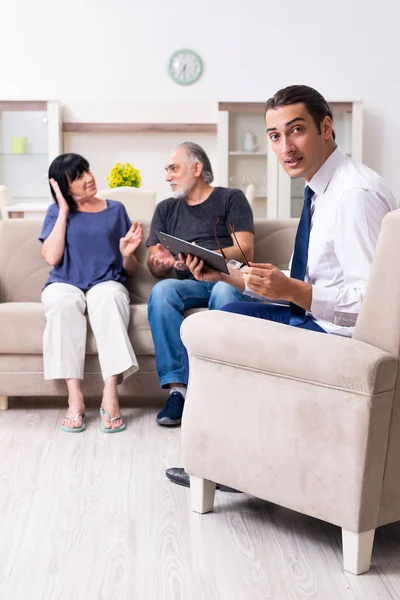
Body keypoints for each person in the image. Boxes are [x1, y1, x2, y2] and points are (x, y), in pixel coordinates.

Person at [165, 84, 399, 489]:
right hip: (314, 317)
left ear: (326, 127)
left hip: (340, 335)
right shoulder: (319, 191)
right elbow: (292, 284)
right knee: (224, 314)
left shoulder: (353, 196)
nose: (285, 146)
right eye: (275, 136)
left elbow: (373, 307)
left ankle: (229, 463)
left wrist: (292, 291)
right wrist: (221, 274)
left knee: (221, 330)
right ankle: (228, 455)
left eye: (296, 130)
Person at [146, 141, 255, 426]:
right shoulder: (166, 209)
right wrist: (159, 263)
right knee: (162, 291)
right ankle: (177, 391)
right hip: (188, 283)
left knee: (222, 289)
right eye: (167, 170)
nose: (168, 176)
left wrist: (205, 257)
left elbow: (245, 250)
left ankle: (215, 390)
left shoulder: (231, 198)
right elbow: (154, 260)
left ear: (197, 168)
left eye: (173, 168)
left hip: (227, 277)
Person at [39, 153, 143, 433]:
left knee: (107, 298)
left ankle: (111, 393)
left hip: (106, 282)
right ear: (62, 186)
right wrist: (62, 210)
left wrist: (127, 255)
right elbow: (51, 257)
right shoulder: (55, 213)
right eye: (78, 177)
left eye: (87, 170)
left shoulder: (116, 209)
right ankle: (75, 399)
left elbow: (130, 270)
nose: (89, 178)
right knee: (62, 302)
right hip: (65, 282)